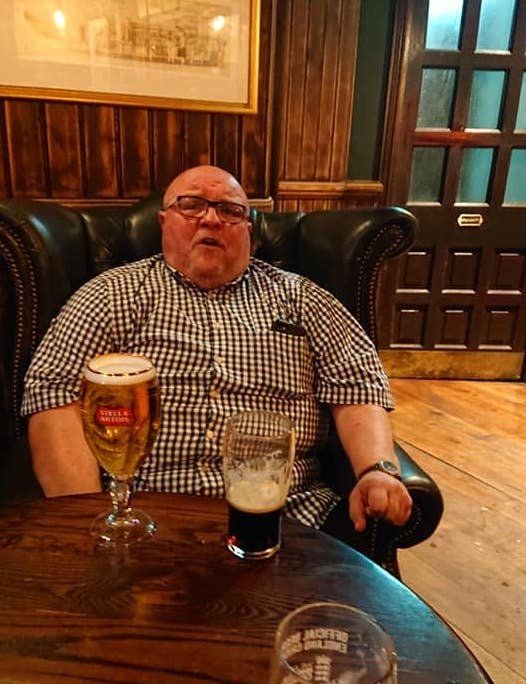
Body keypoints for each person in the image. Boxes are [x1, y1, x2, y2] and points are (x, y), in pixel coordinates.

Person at [22, 165, 412, 547]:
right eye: (191, 205)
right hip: (144, 521)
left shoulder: (302, 298)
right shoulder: (110, 295)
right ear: (163, 222)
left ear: (249, 231)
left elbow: (358, 383)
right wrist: (84, 521)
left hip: (289, 518)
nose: (211, 219)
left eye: (230, 210)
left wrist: (376, 470)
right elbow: (52, 392)